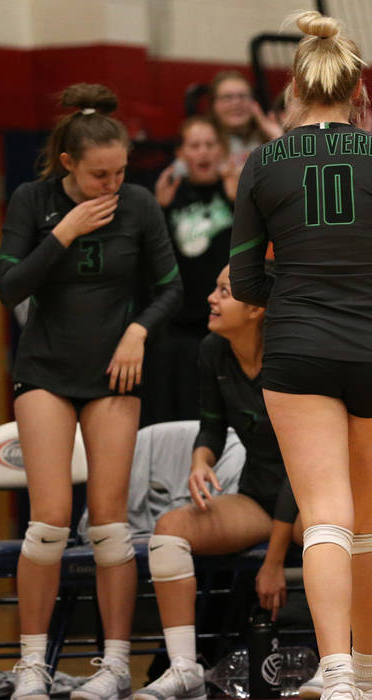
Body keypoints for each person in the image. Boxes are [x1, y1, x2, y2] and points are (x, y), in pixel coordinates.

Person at [229, 10, 372, 700]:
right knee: (371, 522)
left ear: (296, 87)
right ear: (360, 92)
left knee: (322, 515)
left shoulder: (262, 161)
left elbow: (244, 280)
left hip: (296, 346)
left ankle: (337, 674)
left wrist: (288, 301)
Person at [0, 83, 182, 700]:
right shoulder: (31, 199)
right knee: (48, 523)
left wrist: (137, 331)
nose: (113, 184)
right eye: (99, 174)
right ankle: (31, 665)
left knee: (108, 525)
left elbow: (171, 288)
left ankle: (114, 664)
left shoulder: (138, 206)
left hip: (114, 374)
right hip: (45, 369)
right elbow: (9, 287)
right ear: (69, 164)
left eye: (121, 171)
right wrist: (65, 232)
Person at [133, 264, 299, 700]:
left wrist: (274, 561)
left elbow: (300, 470)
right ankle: (185, 668)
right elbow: (211, 428)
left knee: (325, 532)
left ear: (257, 310)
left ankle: (346, 664)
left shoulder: (290, 357)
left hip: (307, 500)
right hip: (258, 499)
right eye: (215, 288)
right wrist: (199, 462)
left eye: (224, 291)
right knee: (169, 529)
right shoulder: (212, 350)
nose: (211, 297)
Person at [142, 116, 238, 425]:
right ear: (181, 154)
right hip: (182, 329)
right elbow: (151, 265)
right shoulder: (169, 197)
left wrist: (239, 202)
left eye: (211, 145)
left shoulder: (236, 195)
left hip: (230, 329)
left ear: (222, 150)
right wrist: (160, 209)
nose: (204, 153)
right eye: (194, 146)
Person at [209, 71, 282, 165]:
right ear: (213, 104)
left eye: (243, 96)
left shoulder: (268, 138)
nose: (236, 103)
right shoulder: (202, 141)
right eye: (227, 97)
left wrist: (268, 127)